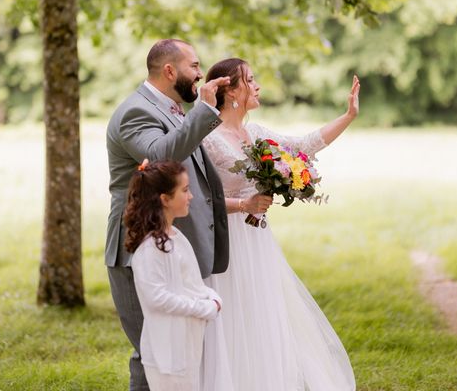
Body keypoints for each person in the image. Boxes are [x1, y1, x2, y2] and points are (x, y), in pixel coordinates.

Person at [201, 58, 360, 391]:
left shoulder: (256, 133)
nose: (257, 86)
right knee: (234, 321)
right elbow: (201, 198)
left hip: (258, 241)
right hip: (227, 244)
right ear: (230, 89)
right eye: (251, 79)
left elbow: (302, 146)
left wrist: (347, 117)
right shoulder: (208, 136)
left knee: (266, 318)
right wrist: (242, 204)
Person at [105, 39, 254, 390]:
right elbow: (161, 158)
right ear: (170, 71)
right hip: (137, 247)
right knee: (151, 351)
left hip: (170, 243)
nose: (201, 74)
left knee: (179, 350)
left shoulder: (173, 110)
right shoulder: (135, 112)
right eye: (195, 66)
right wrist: (204, 109)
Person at [124, 159, 224, 391]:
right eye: (185, 190)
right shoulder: (151, 248)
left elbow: (190, 282)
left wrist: (211, 296)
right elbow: (157, 298)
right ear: (165, 199)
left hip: (186, 341)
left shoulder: (175, 236)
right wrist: (204, 308)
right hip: (166, 352)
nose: (191, 197)